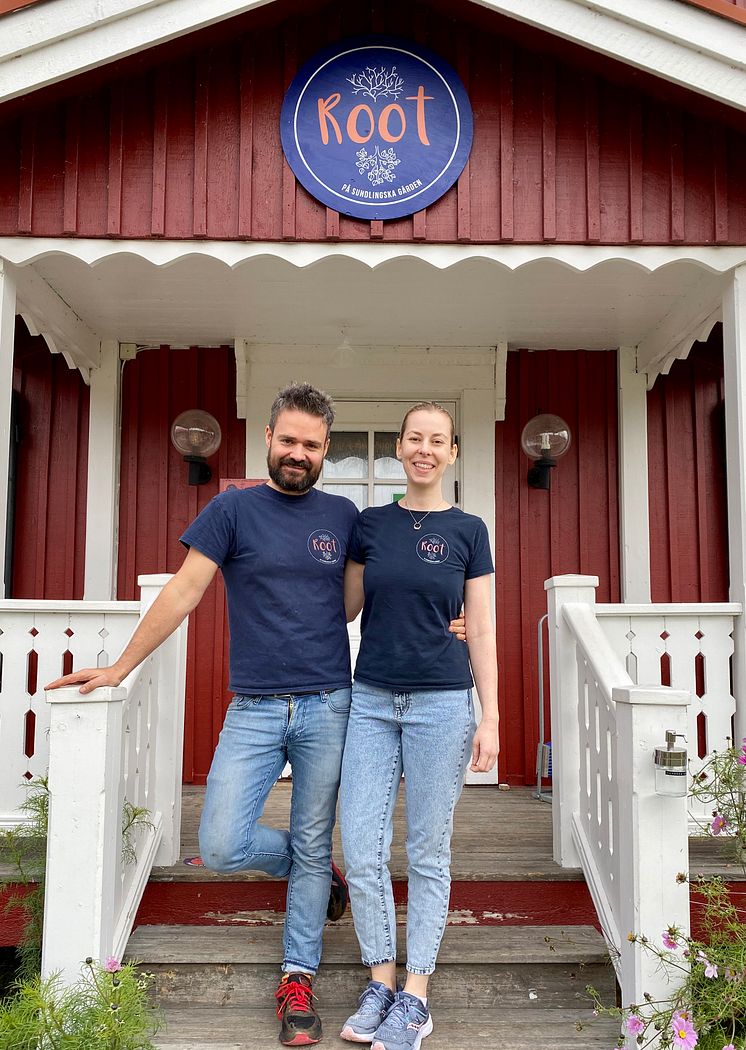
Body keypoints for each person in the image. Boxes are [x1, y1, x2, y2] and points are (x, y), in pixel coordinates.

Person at [46, 383, 358, 1047]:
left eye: (312, 444)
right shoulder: (232, 510)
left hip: (330, 703)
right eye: (289, 440)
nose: (298, 453)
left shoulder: (344, 516)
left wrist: (447, 619)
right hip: (255, 707)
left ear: (325, 449)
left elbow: (363, 601)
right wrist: (119, 667)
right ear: (269, 439)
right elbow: (184, 591)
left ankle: (297, 977)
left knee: (310, 835)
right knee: (219, 843)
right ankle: (315, 869)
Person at [339, 401, 498, 1050]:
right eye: (414, 438)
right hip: (372, 701)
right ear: (399, 449)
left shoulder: (469, 530)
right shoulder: (370, 525)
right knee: (363, 849)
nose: (424, 449)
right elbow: (343, 606)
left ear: (452, 452)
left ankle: (417, 995)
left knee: (429, 853)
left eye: (437, 440)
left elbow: (480, 626)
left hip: (442, 705)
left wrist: (493, 716)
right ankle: (380, 979)